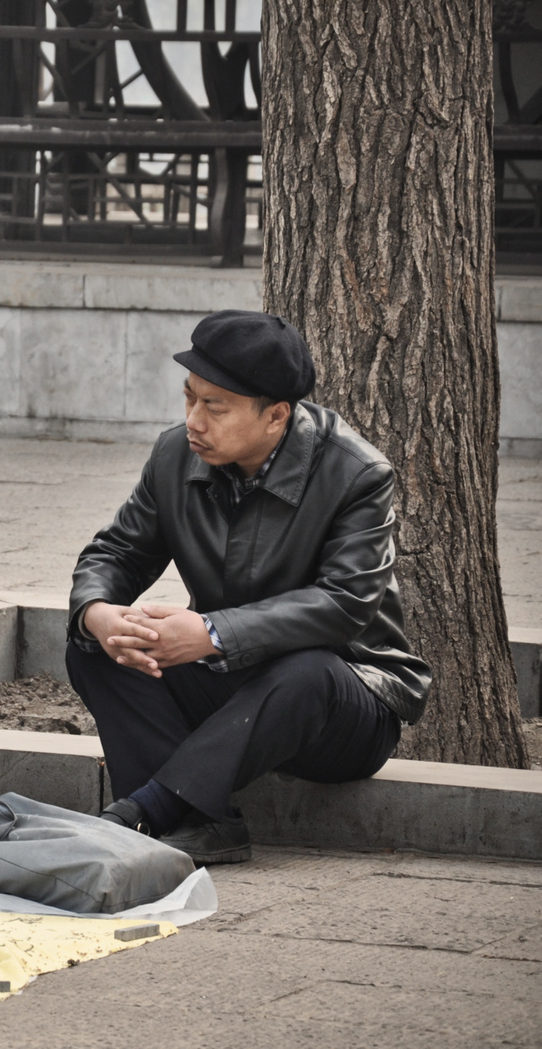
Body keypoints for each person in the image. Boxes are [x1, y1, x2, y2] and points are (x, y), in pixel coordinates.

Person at [67, 310, 430, 864]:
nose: (194, 420)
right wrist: (99, 612)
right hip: (232, 683)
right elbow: (116, 553)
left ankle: (144, 811)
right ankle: (204, 823)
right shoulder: (174, 456)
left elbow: (344, 604)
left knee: (309, 670)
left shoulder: (357, 473)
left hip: (343, 702)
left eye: (215, 406)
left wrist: (212, 633)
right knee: (98, 648)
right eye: (189, 398)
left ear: (276, 416)